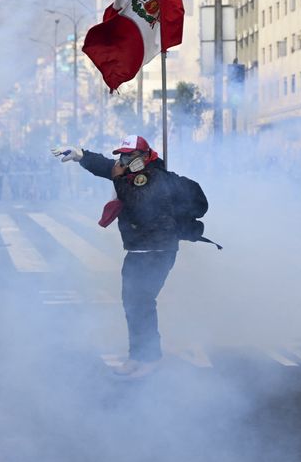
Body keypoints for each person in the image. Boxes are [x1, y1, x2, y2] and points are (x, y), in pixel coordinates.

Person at [51, 135, 198, 379]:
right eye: (122, 155)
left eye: (130, 156)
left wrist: (119, 178)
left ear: (144, 157)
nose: (124, 160)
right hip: (140, 250)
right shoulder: (130, 175)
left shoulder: (154, 179)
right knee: (133, 303)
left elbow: (138, 202)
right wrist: (81, 155)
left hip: (157, 250)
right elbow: (106, 167)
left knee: (141, 302)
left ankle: (149, 357)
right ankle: (138, 355)